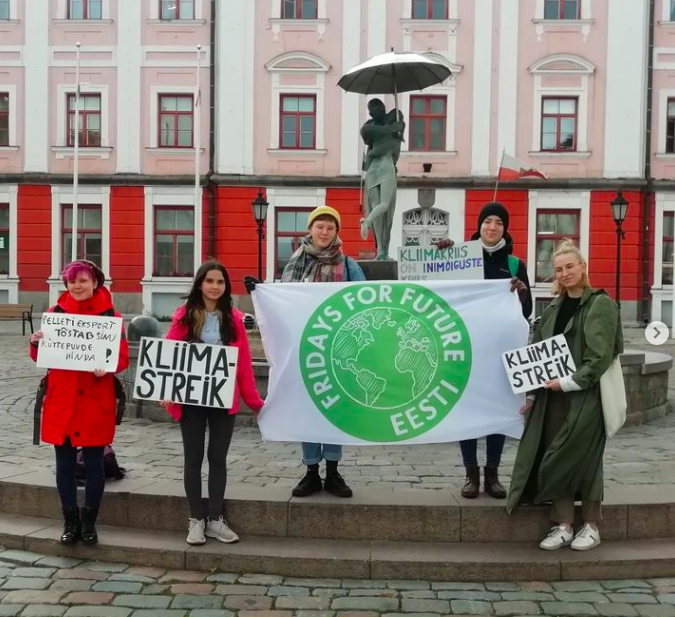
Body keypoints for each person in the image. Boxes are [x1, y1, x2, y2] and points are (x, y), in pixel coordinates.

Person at [507, 241, 622, 551]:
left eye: (570, 266)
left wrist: (568, 382)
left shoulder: (600, 305)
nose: (565, 272)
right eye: (559, 269)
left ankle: (592, 525)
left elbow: (600, 358)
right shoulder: (554, 306)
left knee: (583, 457)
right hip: (552, 398)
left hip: (587, 396)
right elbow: (540, 354)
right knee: (552, 455)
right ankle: (563, 525)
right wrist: (532, 393)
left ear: (583, 266)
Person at [245, 205, 365, 498]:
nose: (325, 232)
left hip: (339, 351)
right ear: (310, 229)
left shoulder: (348, 265)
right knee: (307, 407)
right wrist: (260, 291)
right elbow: (283, 303)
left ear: (337, 232)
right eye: (320, 226)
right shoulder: (294, 264)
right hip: (305, 351)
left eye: (331, 227)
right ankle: (311, 470)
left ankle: (334, 472)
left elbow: (364, 301)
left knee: (335, 410)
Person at [163, 260, 264, 545]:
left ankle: (216, 519)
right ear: (200, 284)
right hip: (191, 399)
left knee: (217, 459)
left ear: (225, 286)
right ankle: (196, 519)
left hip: (222, 398)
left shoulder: (233, 319)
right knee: (193, 459)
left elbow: (243, 365)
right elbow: (169, 354)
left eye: (220, 282)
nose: (215, 286)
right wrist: (166, 389)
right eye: (209, 281)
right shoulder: (184, 316)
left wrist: (255, 403)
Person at [29, 260, 129, 545]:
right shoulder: (55, 314)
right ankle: (70, 520)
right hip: (62, 400)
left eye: (83, 280)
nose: (77, 286)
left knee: (95, 463)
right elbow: (41, 358)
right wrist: (36, 343)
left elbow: (121, 358)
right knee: (64, 464)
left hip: (95, 401)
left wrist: (107, 367)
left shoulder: (111, 317)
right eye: (72, 281)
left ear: (96, 282)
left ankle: (89, 522)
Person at [438, 202, 532, 499]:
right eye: (487, 221)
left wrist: (522, 293)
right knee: (466, 408)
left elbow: (526, 312)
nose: (492, 227)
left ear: (505, 229)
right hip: (465, 347)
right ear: (479, 226)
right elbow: (436, 288)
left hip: (500, 349)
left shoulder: (515, 264)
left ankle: (492, 474)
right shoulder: (461, 257)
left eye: (499, 223)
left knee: (498, 408)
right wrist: (440, 254)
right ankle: (470, 474)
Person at [360, 98, 405, 260]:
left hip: (377, 168)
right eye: (372, 110)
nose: (373, 112)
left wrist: (374, 151)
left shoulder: (396, 119)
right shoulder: (371, 126)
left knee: (385, 213)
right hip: (383, 168)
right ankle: (380, 248)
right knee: (383, 208)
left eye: (377, 109)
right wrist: (392, 128)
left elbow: (398, 116)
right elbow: (366, 133)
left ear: (383, 108)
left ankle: (382, 250)